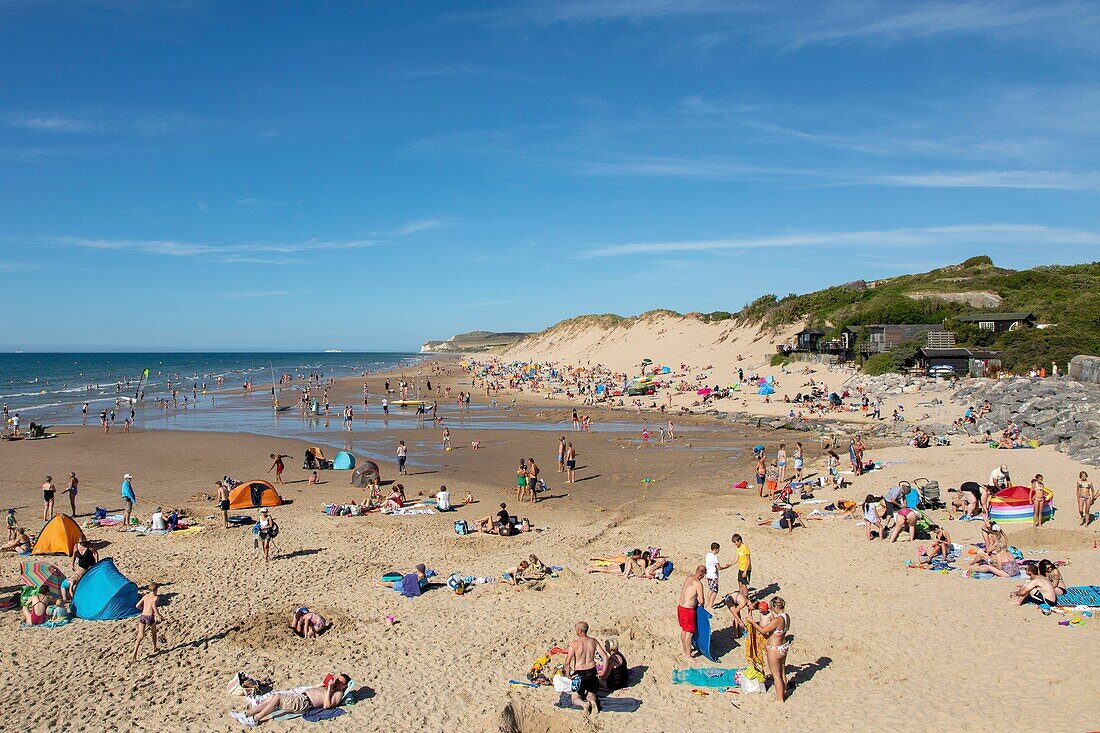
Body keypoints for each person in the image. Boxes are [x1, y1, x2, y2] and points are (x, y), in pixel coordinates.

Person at [232, 674, 350, 726]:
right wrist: (325, 682)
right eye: (337, 679)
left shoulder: (338, 694)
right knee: (274, 696)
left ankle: (255, 719)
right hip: (301, 697)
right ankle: (247, 713)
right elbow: (314, 688)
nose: (337, 682)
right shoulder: (330, 686)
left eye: (340, 682)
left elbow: (327, 705)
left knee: (277, 698)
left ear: (344, 686)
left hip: (304, 703)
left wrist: (329, 689)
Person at [746, 596, 791, 703]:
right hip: (783, 646)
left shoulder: (777, 620)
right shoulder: (786, 617)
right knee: (782, 672)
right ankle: (782, 692)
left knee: (776, 675)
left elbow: (763, 630)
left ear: (776, 607)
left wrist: (753, 623)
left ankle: (780, 699)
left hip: (774, 649)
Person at [564, 622, 601, 715]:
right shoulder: (593, 641)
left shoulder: (575, 644)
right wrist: (603, 672)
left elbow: (567, 663)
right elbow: (604, 656)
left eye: (576, 629)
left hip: (580, 673)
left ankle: (584, 704)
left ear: (579, 631)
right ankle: (592, 702)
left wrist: (568, 675)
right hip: (592, 671)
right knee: (591, 694)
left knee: (575, 698)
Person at [677, 565, 705, 660]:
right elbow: (701, 600)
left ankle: (684, 651)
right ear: (702, 575)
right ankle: (688, 655)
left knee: (684, 630)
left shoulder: (688, 578)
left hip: (680, 607)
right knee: (689, 632)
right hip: (688, 610)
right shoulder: (698, 584)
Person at [131, 582, 164, 661]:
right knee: (154, 632)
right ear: (156, 589)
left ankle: (134, 653)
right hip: (150, 617)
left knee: (140, 636)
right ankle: (155, 647)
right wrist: (158, 614)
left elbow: (137, 605)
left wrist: (143, 610)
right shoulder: (156, 597)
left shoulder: (145, 596)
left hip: (142, 616)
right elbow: (154, 607)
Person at [703, 542, 729, 610]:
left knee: (710, 590)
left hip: (708, 574)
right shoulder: (714, 557)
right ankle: (710, 605)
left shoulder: (707, 555)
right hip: (713, 575)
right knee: (715, 591)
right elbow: (719, 567)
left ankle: (708, 604)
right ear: (715, 549)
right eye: (718, 549)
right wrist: (726, 567)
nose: (719, 550)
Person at [732, 534, 751, 600]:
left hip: (746, 568)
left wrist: (745, 571)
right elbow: (737, 558)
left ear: (739, 541)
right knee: (739, 582)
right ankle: (741, 597)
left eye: (735, 542)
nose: (735, 544)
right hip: (741, 568)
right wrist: (730, 564)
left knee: (744, 585)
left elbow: (748, 560)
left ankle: (746, 599)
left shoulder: (745, 547)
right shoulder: (738, 548)